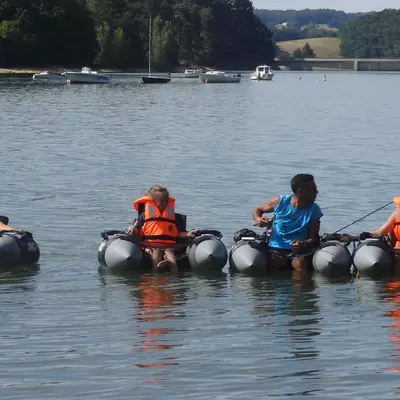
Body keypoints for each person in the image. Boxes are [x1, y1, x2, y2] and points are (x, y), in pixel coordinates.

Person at [252, 174, 323, 273]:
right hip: (275, 249)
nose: (316, 192)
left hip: (299, 251)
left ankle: (301, 285)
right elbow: (258, 209)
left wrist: (302, 243)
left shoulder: (314, 209)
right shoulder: (279, 202)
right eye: (313, 189)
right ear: (299, 191)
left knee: (300, 265)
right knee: (273, 264)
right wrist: (258, 219)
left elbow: (313, 238)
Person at [126, 184, 196, 271]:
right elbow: (137, 229)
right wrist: (132, 228)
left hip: (168, 245)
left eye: (166, 201)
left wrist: (189, 234)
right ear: (153, 202)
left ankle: (173, 266)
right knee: (157, 251)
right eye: (162, 201)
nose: (165, 203)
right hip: (149, 246)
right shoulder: (144, 216)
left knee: (169, 251)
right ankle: (156, 268)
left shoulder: (173, 217)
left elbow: (177, 234)